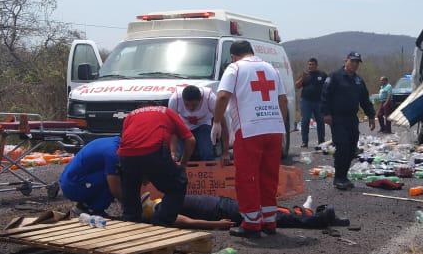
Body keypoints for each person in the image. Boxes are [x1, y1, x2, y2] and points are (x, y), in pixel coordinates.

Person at [212, 40, 289, 238]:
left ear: (234, 56)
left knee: (247, 177)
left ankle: (252, 223)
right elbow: (282, 99)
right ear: (252, 52)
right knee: (269, 176)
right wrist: (282, 128)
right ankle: (269, 220)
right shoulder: (271, 69)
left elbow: (222, 97)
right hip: (274, 129)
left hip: (249, 129)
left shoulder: (235, 68)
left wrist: (217, 122)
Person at [117, 106, 195, 226]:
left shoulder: (131, 114)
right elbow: (191, 140)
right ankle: (161, 222)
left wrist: (142, 172)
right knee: (178, 185)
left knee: (131, 189)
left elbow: (130, 141)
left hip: (126, 154)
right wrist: (183, 165)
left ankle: (131, 222)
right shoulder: (167, 112)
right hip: (154, 150)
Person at [321, 52, 376, 191]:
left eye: (357, 62)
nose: (355, 64)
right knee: (342, 147)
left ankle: (344, 177)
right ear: (346, 61)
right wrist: (326, 113)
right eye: (352, 61)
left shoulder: (358, 80)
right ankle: (338, 178)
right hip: (338, 118)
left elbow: (364, 99)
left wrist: (371, 115)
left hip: (352, 118)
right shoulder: (335, 77)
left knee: (352, 148)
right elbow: (325, 95)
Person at [142, 193, 350, 230]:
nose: (150, 201)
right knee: (272, 217)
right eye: (146, 202)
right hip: (220, 210)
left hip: (222, 203)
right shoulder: (162, 212)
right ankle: (319, 220)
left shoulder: (165, 201)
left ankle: (307, 215)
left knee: (268, 211)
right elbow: (185, 221)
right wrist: (217, 225)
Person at [59, 137, 121, 216]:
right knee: (113, 178)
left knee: (112, 173)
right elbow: (114, 186)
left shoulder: (113, 141)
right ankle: (94, 210)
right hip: (73, 186)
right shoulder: (113, 152)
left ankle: (84, 207)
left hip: (70, 180)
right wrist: (127, 204)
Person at [167, 85, 226, 161]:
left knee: (206, 152)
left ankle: (208, 170)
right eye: (187, 104)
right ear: (182, 99)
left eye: (194, 105)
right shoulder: (175, 100)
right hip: (183, 126)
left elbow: (224, 125)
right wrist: (173, 152)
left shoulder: (210, 98)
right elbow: (172, 129)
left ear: (201, 99)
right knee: (181, 154)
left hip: (204, 124)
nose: (191, 108)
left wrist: (225, 152)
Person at [294, 58, 327, 147]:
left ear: (316, 65)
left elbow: (328, 86)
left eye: (312, 64)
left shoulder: (322, 75)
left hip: (319, 102)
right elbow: (297, 86)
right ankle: (304, 142)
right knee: (305, 121)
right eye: (309, 64)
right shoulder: (305, 75)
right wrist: (302, 78)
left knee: (320, 121)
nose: (310, 66)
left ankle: (321, 141)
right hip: (306, 101)